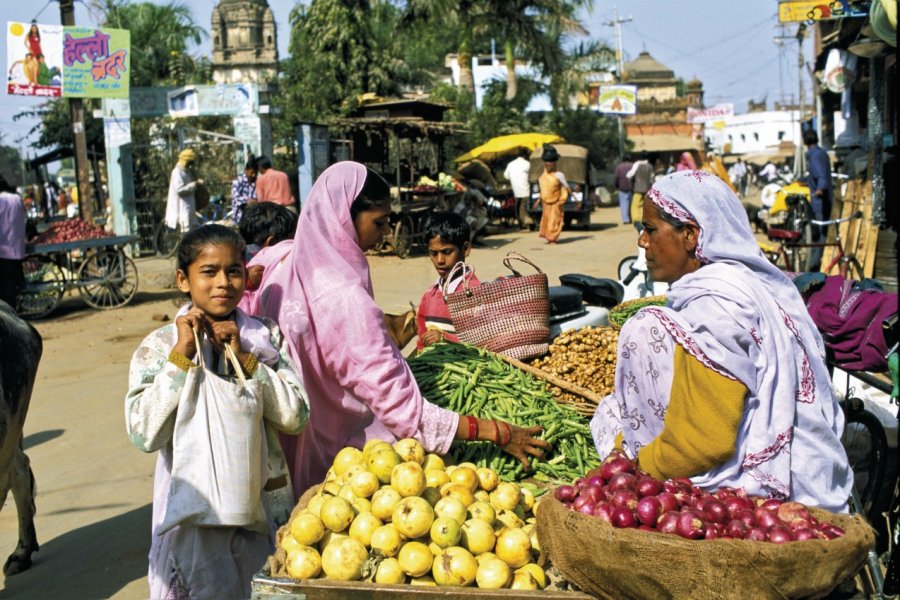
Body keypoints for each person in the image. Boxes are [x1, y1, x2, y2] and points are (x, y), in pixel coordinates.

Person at [246, 161, 549, 497]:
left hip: (283, 443)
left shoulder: (276, 264)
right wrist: (498, 432)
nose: (386, 232)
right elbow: (405, 413)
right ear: (345, 216)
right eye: (379, 222)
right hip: (340, 458)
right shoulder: (345, 299)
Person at [590, 170, 852, 512]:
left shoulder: (716, 307)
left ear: (690, 235)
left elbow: (704, 441)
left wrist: (636, 468)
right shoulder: (750, 282)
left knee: (645, 328)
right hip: (814, 465)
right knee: (612, 409)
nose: (642, 242)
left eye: (650, 230)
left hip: (767, 488)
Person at [125, 225, 309, 600]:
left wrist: (247, 359)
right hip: (194, 518)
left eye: (234, 271)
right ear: (183, 279)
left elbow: (295, 417)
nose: (223, 282)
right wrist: (182, 356)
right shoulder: (159, 348)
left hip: (261, 510)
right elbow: (144, 434)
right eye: (209, 272)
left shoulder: (264, 338)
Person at [416, 212, 482, 351]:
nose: (439, 260)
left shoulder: (474, 292)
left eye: (447, 252)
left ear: (466, 249)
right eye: (433, 253)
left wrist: (446, 338)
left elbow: (482, 342)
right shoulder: (429, 296)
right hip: (433, 368)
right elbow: (422, 341)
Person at [804, 130, 833, 271]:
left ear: (805, 143)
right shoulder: (822, 153)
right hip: (824, 201)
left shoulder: (814, 156)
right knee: (821, 235)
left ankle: (813, 267)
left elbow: (821, 175)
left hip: (819, 203)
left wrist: (819, 190)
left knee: (818, 235)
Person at [0, 176, 26, 308]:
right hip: (17, 248)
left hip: (3, 250)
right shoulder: (17, 198)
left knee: (5, 287)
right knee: (14, 282)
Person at [538, 144, 571, 244]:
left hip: (556, 202)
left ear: (553, 164)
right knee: (547, 220)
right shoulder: (543, 175)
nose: (547, 165)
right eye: (546, 163)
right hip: (545, 202)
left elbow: (566, 186)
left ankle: (553, 238)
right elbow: (544, 188)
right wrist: (539, 199)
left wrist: (575, 197)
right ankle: (548, 237)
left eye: (549, 163)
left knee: (554, 221)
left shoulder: (559, 175)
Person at [164, 149, 203, 231]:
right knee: (185, 233)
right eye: (190, 162)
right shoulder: (177, 172)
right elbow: (180, 190)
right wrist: (195, 184)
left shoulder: (186, 172)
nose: (191, 165)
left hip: (188, 209)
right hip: (181, 209)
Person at [503, 148, 532, 229]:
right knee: (523, 207)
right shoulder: (527, 164)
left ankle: (522, 223)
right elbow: (531, 176)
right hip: (526, 190)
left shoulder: (510, 164)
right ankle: (526, 221)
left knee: (517, 207)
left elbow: (506, 176)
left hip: (516, 190)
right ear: (525, 155)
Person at [626, 151, 654, 230]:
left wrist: (631, 180)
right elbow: (652, 178)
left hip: (637, 189)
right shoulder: (649, 166)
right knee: (644, 206)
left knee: (635, 206)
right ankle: (644, 220)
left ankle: (637, 221)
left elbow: (629, 175)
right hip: (647, 189)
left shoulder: (637, 164)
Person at [230, 158, 257, 225]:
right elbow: (235, 198)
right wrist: (247, 201)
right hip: (240, 218)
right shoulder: (238, 181)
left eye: (255, 173)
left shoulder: (256, 182)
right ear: (246, 171)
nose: (254, 175)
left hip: (253, 217)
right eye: (252, 173)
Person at [614, 154, 634, 225]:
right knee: (631, 204)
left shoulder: (619, 167)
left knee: (623, 204)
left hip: (622, 188)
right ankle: (631, 218)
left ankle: (626, 220)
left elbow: (616, 178)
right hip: (631, 188)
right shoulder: (632, 166)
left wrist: (616, 186)